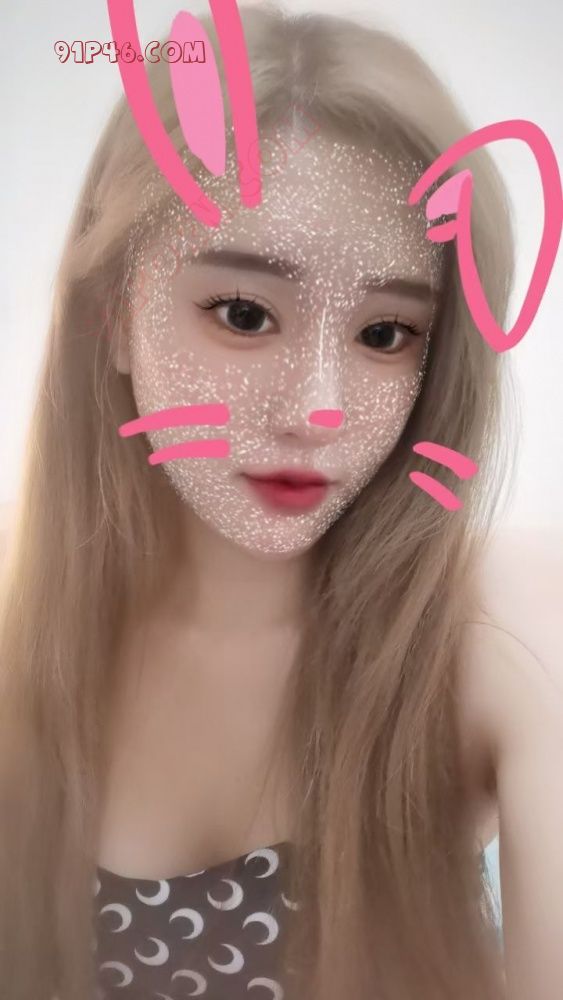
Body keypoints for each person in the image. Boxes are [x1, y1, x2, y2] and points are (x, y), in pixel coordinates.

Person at [0, 2, 526, 998]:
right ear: (113, 316)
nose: (316, 411)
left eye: (384, 334)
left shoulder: (492, 637)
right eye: (244, 314)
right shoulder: (19, 641)